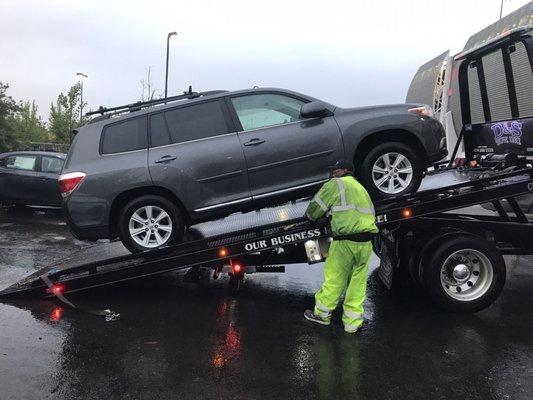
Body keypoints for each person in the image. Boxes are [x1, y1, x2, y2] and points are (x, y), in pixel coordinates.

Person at [304, 159, 378, 333]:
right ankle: (352, 324)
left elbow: (315, 209)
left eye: (335, 170)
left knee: (335, 279)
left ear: (344, 171)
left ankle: (322, 315)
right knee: (357, 283)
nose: (332, 173)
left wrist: (309, 216)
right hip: (365, 242)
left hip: (345, 241)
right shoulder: (361, 188)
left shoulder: (336, 184)